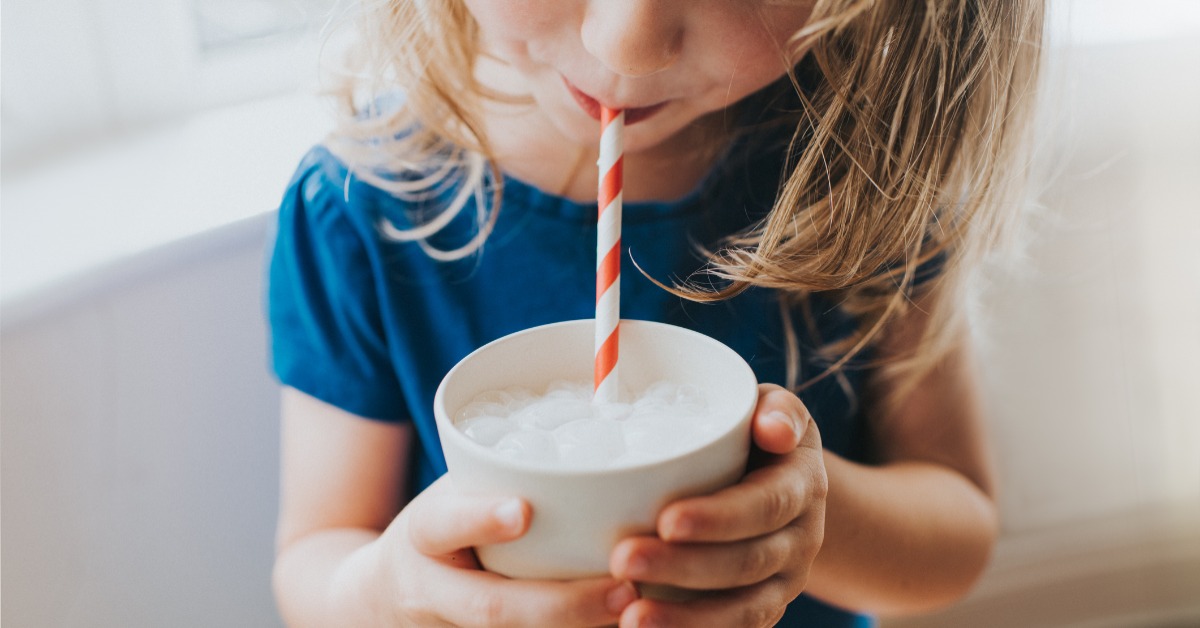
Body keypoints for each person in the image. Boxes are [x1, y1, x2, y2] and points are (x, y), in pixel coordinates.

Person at [267, 1, 1044, 626]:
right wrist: (386, 592)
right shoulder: (360, 209)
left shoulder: (868, 181)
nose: (628, 41)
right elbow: (313, 556)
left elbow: (959, 530)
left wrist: (799, 514)